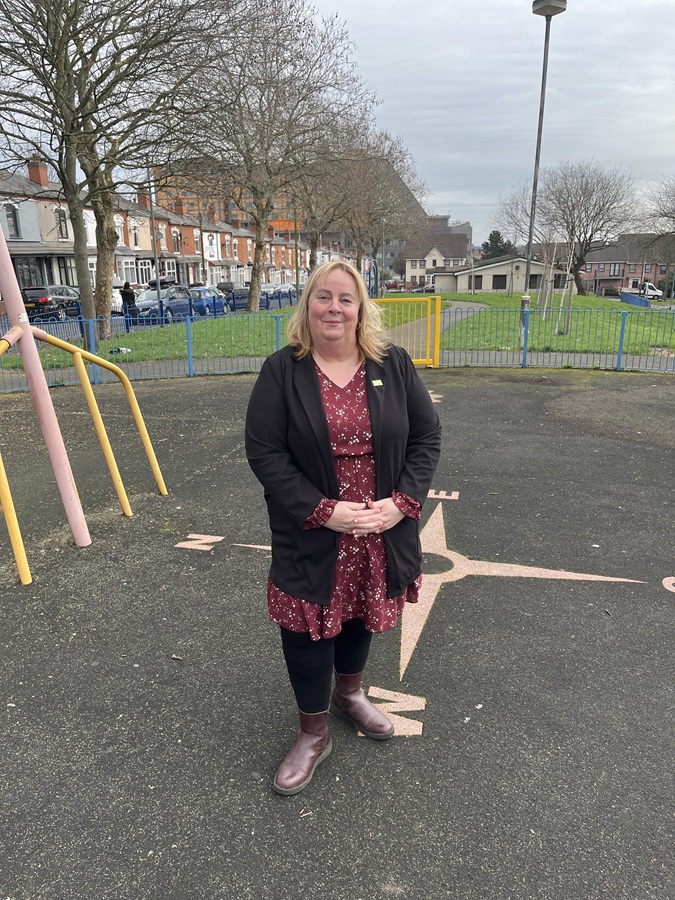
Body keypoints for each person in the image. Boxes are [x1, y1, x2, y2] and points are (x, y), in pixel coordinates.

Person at [245, 260, 441, 796]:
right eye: (323, 297)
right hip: (313, 529)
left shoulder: (392, 364)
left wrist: (403, 503)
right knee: (306, 627)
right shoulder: (282, 370)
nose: (334, 308)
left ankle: (349, 694)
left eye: (346, 299)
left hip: (381, 526)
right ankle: (313, 732)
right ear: (307, 306)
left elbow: (426, 439)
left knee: (358, 613)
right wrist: (322, 510)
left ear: (361, 309)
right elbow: (265, 452)